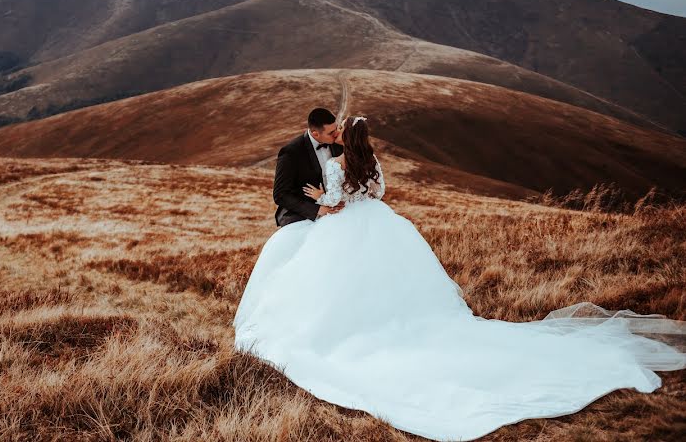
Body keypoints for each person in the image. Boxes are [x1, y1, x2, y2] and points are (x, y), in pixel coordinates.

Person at [233, 114, 686, 442]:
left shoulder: (335, 164)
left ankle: (349, 330)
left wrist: (321, 196)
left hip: (343, 226)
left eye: (338, 131)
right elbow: (376, 192)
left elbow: (336, 198)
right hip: (382, 225)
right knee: (394, 284)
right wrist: (328, 196)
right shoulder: (369, 163)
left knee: (340, 289)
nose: (333, 135)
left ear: (341, 139)